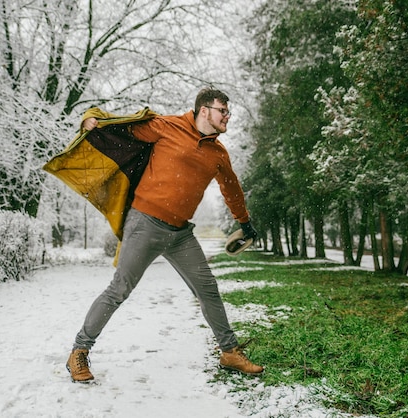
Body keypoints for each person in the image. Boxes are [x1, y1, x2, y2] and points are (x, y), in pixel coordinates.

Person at [66, 87, 264, 382]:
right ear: (204, 111)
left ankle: (229, 352)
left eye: (228, 112)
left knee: (207, 288)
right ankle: (79, 351)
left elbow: (231, 188)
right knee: (119, 289)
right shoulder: (168, 126)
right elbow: (124, 129)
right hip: (145, 223)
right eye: (222, 111)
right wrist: (92, 119)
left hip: (180, 233)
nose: (227, 116)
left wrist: (245, 223)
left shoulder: (218, 153)